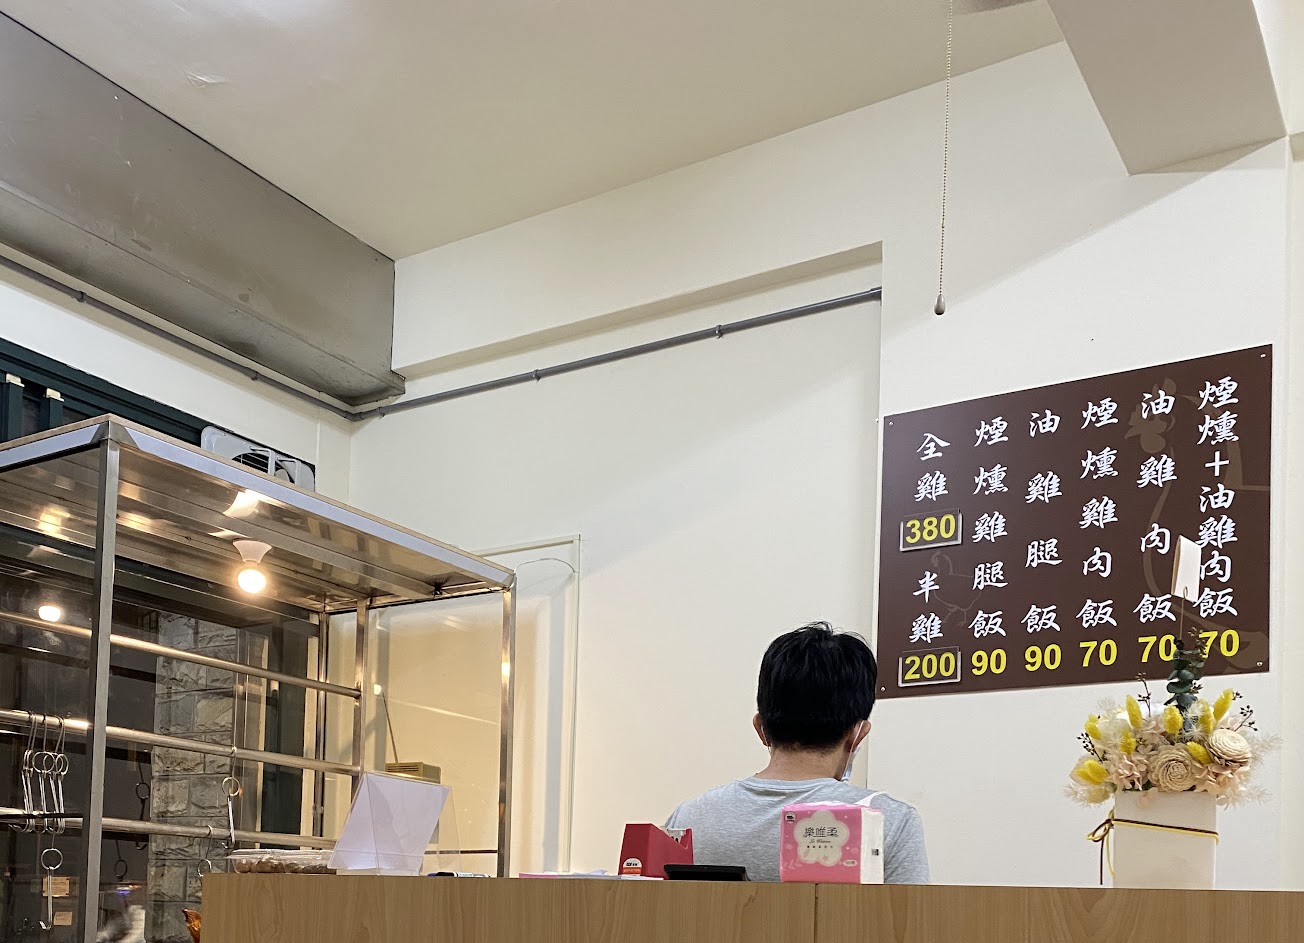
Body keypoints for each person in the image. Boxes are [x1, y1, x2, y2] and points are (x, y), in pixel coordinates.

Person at [666, 622, 929, 883]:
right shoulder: (891, 822)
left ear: (760, 728)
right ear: (857, 734)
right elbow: (909, 913)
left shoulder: (687, 819)